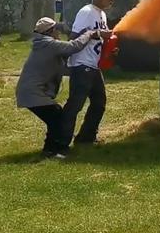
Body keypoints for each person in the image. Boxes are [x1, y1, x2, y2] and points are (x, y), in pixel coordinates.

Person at [15, 17, 107, 159]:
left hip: (30, 91)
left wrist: (82, 70)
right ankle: (52, 150)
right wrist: (89, 33)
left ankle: (50, 149)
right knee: (57, 117)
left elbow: (63, 69)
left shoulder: (44, 45)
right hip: (33, 93)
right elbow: (73, 46)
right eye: (56, 29)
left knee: (56, 117)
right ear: (51, 31)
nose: (59, 31)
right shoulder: (49, 44)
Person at [60, 0, 116, 149]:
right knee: (75, 105)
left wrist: (110, 50)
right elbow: (74, 37)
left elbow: (99, 40)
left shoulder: (102, 15)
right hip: (82, 64)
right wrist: (97, 34)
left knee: (99, 102)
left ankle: (86, 137)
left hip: (94, 65)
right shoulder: (87, 12)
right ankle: (60, 142)